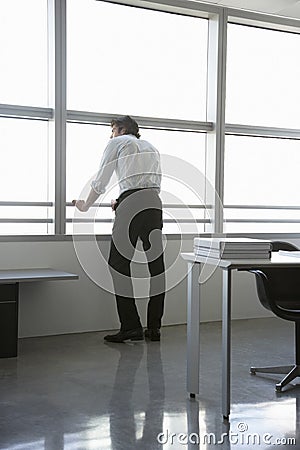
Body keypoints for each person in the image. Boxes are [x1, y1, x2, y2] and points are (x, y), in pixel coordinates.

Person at [73, 115, 165, 343]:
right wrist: (121, 200)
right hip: (154, 204)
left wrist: (85, 205)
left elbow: (101, 179)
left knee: (119, 263)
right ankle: (154, 328)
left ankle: (131, 327)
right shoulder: (151, 147)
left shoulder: (117, 142)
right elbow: (146, 183)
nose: (111, 135)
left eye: (113, 130)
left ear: (122, 129)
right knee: (157, 268)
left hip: (132, 202)